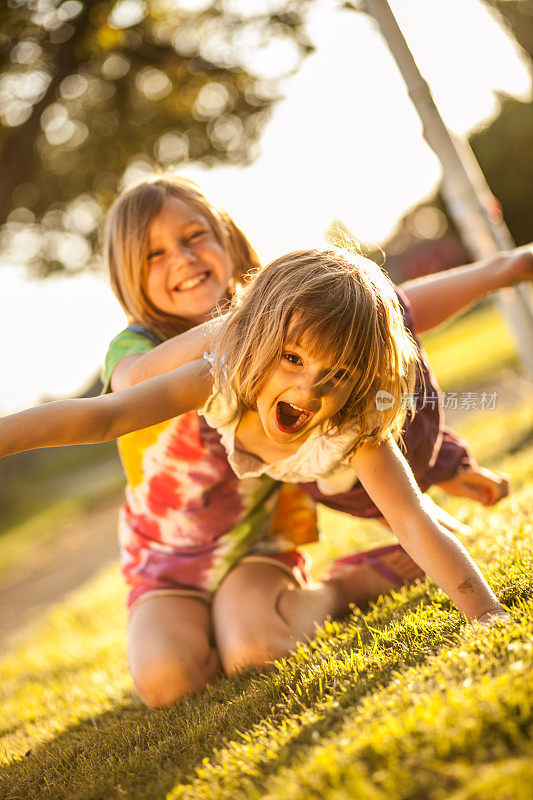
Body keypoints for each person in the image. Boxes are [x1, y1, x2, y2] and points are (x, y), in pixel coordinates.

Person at [0, 249, 512, 708]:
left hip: (336, 485)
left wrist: (487, 615)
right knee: (177, 680)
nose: (307, 389)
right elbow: (108, 415)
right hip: (200, 547)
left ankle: (391, 538)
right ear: (255, 336)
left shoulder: (352, 424)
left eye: (334, 377)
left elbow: (413, 521)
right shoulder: (221, 375)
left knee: (258, 650)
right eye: (292, 358)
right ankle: (512, 266)